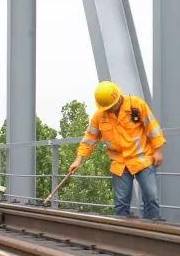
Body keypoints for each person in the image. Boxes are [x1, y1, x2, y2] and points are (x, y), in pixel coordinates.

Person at [68, 81, 166, 219]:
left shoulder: (137, 105)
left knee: (151, 198)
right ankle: (123, 234)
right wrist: (77, 160)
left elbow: (153, 129)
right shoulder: (100, 116)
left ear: (118, 98)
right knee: (121, 204)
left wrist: (158, 151)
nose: (107, 109)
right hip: (119, 163)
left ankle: (153, 231)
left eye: (110, 106)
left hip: (142, 158)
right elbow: (89, 139)